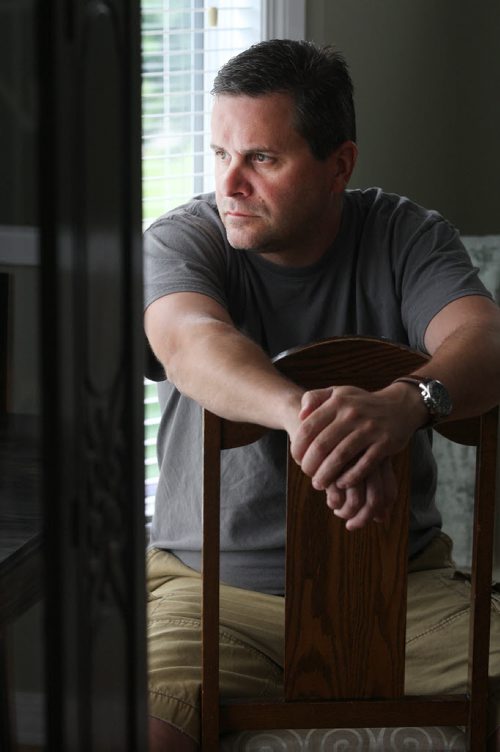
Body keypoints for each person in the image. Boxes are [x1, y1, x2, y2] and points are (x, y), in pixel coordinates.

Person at [143, 39, 500, 751]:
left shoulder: (405, 235)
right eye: (220, 155)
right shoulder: (184, 239)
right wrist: (305, 421)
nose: (230, 184)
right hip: (209, 593)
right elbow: (191, 343)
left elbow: (485, 341)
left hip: (402, 585)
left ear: (338, 165)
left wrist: (405, 404)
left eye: (262, 159)